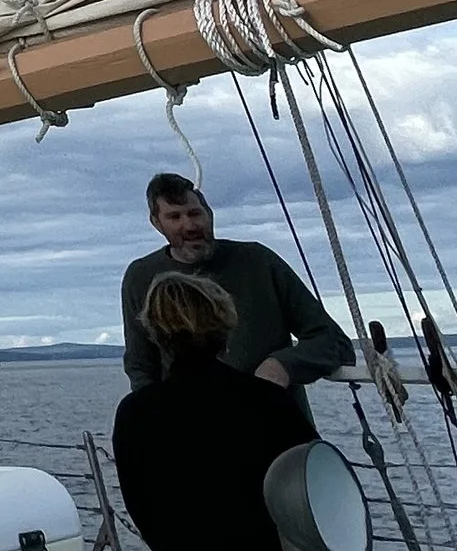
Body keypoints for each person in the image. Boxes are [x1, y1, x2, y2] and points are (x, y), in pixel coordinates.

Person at [111, 273, 318, 551]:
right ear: (224, 326)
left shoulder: (136, 415)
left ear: (157, 334)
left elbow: (143, 511)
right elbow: (314, 493)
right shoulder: (269, 404)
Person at [121, 173, 353, 411]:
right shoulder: (140, 278)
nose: (189, 226)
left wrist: (283, 365)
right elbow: (141, 367)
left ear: (209, 214)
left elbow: (333, 341)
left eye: (194, 213)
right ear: (156, 223)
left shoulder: (259, 263)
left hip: (277, 427)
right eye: (174, 217)